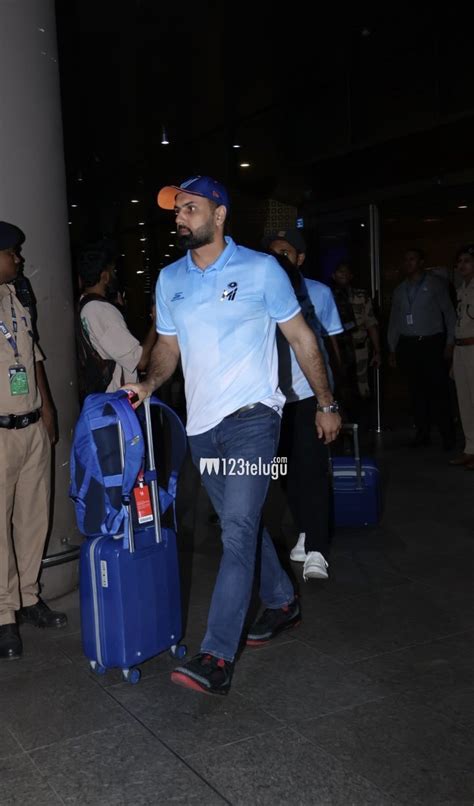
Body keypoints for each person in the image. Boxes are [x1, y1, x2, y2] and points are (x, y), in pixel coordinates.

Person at [124, 175, 341, 695]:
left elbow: (302, 338)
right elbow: (169, 349)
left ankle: (217, 656)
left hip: (253, 419)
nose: (180, 217)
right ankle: (282, 600)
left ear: (219, 215)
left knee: (238, 529)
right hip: (202, 427)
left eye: (191, 208)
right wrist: (149, 384)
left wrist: (327, 403)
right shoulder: (170, 278)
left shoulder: (262, 269)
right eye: (177, 210)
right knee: (238, 525)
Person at [0, 221, 67, 661]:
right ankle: (4, 614)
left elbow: (32, 354)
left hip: (30, 427)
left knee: (32, 518)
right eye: (13, 252)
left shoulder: (16, 296)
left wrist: (47, 408)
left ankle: (27, 596)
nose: (19, 259)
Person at [262, 229, 343, 580]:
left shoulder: (319, 292)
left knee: (310, 471)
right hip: (273, 401)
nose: (278, 258)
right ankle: (306, 530)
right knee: (285, 473)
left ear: (299, 257)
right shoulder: (261, 293)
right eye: (273, 252)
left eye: (285, 251)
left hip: (309, 395)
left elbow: (330, 344)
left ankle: (318, 550)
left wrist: (332, 402)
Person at [387, 248, 456, 448]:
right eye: (405, 259)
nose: (408, 263)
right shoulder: (399, 290)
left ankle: (448, 436)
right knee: (416, 392)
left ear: (421, 262)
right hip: (408, 345)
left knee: (439, 391)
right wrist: (392, 349)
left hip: (432, 343)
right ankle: (422, 434)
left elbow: (449, 314)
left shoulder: (436, 285)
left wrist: (450, 342)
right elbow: (394, 322)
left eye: (412, 259)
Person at [76, 242, 157, 398]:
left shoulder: (84, 304)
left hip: (104, 398)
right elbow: (140, 361)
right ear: (104, 276)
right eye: (112, 271)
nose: (114, 275)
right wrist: (156, 322)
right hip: (117, 402)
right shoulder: (101, 311)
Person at [331, 262, 381, 421]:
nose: (343, 274)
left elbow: (371, 323)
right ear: (333, 275)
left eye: (346, 271)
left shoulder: (361, 296)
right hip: (339, 351)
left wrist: (377, 351)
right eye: (339, 271)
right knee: (341, 391)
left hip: (360, 351)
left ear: (351, 275)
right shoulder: (328, 296)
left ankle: (364, 427)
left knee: (362, 390)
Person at [449, 244, 474, 469]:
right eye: (460, 262)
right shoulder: (461, 288)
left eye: (467, 260)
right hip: (461, 349)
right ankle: (470, 449)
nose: (462, 265)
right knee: (464, 401)